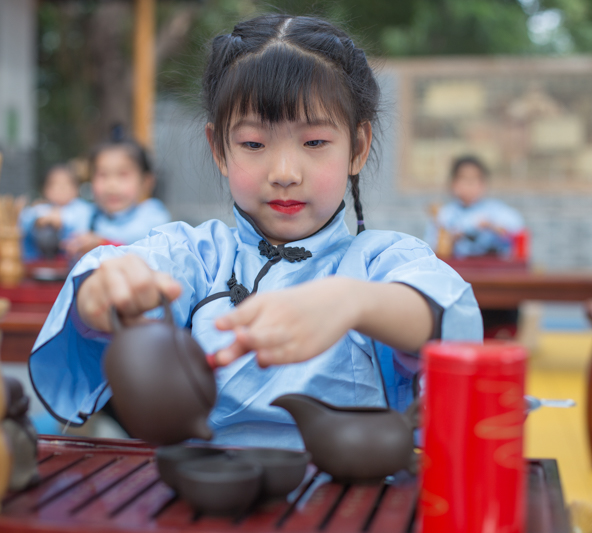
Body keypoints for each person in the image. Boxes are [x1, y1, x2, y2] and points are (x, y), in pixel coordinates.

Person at [28, 14, 482, 449]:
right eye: (253, 144)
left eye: (315, 142)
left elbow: (447, 314)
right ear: (219, 149)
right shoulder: (198, 255)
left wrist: (353, 301)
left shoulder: (381, 261)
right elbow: (118, 273)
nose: (284, 172)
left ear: (358, 147)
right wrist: (102, 291)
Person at [63, 136, 171, 258]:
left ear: (146, 181)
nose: (111, 185)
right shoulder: (87, 213)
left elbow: (145, 247)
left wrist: (103, 243)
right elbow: (65, 217)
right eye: (102, 175)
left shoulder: (152, 215)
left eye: (123, 174)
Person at [426, 156, 525, 258]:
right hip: (457, 269)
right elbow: (432, 246)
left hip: (492, 269)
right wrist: (453, 236)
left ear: (483, 184)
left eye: (475, 179)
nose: (470, 184)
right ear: (453, 184)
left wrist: (492, 226)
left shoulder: (495, 210)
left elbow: (518, 227)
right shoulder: (445, 214)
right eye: (464, 179)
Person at [19, 164, 93, 260]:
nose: (61, 189)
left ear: (76, 189)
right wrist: (37, 221)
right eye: (54, 185)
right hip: (41, 261)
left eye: (66, 185)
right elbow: (25, 219)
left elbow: (80, 221)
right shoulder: (42, 208)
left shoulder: (81, 207)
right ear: (45, 190)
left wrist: (61, 218)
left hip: (74, 260)